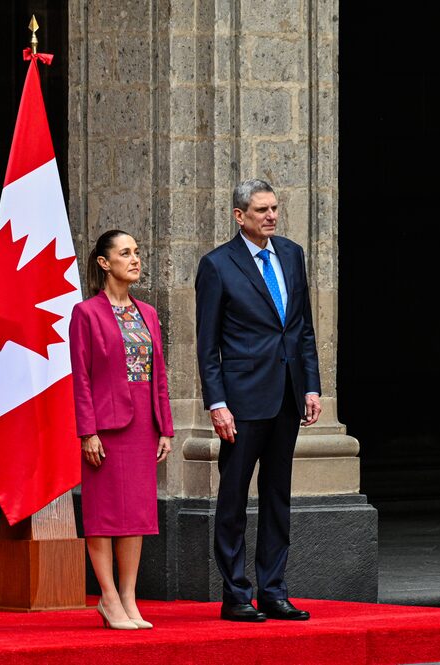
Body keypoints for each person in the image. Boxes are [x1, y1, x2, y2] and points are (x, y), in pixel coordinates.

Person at [195, 179, 322, 623]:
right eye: (261, 210)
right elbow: (207, 344)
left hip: (287, 395)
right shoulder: (217, 265)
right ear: (239, 216)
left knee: (277, 497)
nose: (271, 216)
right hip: (242, 401)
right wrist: (217, 403)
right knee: (233, 499)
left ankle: (273, 591)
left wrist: (311, 386)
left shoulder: (291, 254)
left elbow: (302, 327)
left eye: (274, 208)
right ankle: (235, 594)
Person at [69, 230, 174, 630]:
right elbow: (80, 378)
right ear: (104, 262)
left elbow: (159, 374)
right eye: (125, 253)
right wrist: (87, 432)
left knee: (137, 514)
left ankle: (129, 597)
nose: (135, 259)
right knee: (104, 512)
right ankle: (108, 597)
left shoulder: (148, 313)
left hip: (143, 425)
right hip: (105, 427)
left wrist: (165, 427)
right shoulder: (86, 313)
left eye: (137, 252)